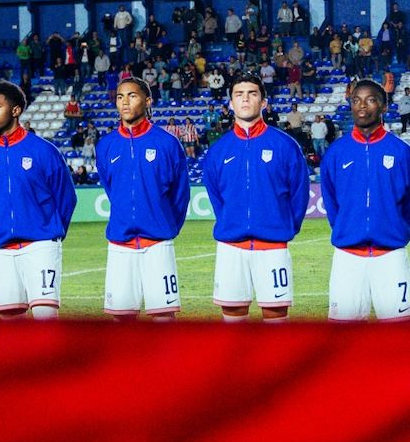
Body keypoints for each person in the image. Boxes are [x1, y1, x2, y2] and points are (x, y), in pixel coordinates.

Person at [201, 73, 310, 322]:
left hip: (272, 247)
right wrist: (232, 222)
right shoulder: (219, 150)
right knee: (233, 313)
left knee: (275, 314)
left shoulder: (285, 145)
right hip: (231, 247)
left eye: (252, 93)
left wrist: (284, 227)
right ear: (230, 103)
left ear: (263, 102)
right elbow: (217, 196)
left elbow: (299, 193)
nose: (245, 99)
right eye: (239, 94)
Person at [0, 81, 77, 319]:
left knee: (45, 318)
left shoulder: (44, 151)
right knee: (10, 325)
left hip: (41, 246)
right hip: (2, 250)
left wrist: (51, 233)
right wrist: (0, 228)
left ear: (15, 111)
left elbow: (66, 197)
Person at [94, 79, 189, 320]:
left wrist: (163, 226)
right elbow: (110, 187)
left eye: (132, 96)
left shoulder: (167, 143)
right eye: (120, 96)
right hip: (120, 244)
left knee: (163, 316)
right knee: (121, 318)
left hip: (157, 245)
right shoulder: (106, 145)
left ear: (147, 101)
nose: (125, 101)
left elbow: (180, 194)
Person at [321, 79, 410, 320]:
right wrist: (348, 229)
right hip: (347, 257)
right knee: (343, 338)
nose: (362, 106)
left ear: (383, 107)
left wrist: (397, 229)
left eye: (370, 100)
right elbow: (331, 201)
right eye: (356, 100)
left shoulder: (402, 153)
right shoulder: (336, 152)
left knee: (399, 336)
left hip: (391, 256)